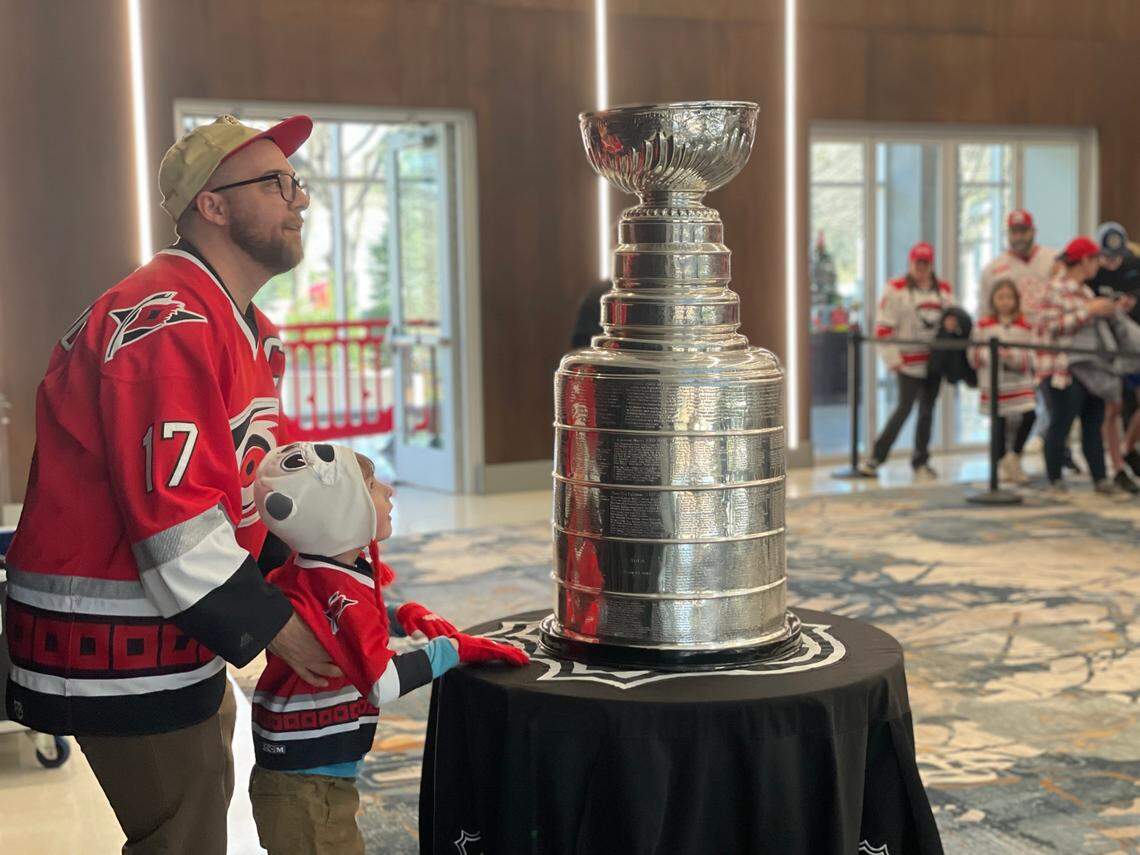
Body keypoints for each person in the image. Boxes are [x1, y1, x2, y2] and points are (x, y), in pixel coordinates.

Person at [2, 115, 342, 854]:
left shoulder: (241, 322)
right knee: (182, 834)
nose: (300, 199)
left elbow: (243, 486)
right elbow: (175, 519)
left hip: (172, 627)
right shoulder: (167, 319)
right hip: (116, 635)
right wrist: (279, 628)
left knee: (202, 794)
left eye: (297, 182)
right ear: (211, 205)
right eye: (274, 183)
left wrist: (312, 576)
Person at [248, 442, 528, 854]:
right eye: (373, 485)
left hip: (303, 771)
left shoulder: (314, 566)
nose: (389, 491)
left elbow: (335, 623)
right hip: (307, 787)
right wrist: (453, 649)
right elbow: (382, 681)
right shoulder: (341, 588)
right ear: (342, 510)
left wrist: (401, 614)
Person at [1038, 236, 1129, 494]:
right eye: (1095, 259)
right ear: (1084, 260)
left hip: (1091, 368)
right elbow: (1049, 325)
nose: (1099, 265)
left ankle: (1100, 478)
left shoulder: (1086, 291)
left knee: (1093, 420)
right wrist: (1088, 311)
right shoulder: (1054, 288)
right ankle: (1054, 478)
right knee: (1062, 422)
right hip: (1061, 368)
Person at [859, 242, 954, 481]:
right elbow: (883, 328)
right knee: (903, 409)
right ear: (910, 263)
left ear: (931, 264)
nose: (921, 268)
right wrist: (892, 359)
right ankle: (876, 458)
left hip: (935, 362)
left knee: (927, 412)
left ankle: (921, 460)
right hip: (908, 363)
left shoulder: (944, 290)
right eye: (917, 263)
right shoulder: (895, 289)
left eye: (925, 263)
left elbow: (955, 319)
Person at [969, 279, 1037, 484]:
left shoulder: (1025, 326)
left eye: (1009, 297)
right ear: (993, 300)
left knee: (1029, 415)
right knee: (997, 423)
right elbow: (972, 353)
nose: (1005, 302)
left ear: (1016, 300)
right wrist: (991, 355)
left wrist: (1014, 357)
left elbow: (1033, 353)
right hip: (994, 382)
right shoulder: (983, 326)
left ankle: (1014, 457)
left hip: (1020, 382)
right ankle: (999, 466)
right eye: (1000, 297)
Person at [1090, 221, 1140, 482]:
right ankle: (1117, 466)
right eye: (1106, 258)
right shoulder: (1091, 273)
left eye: (1116, 257)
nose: (1111, 263)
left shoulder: (1134, 265)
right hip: (1106, 348)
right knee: (1112, 407)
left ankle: (1127, 448)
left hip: (1134, 343)